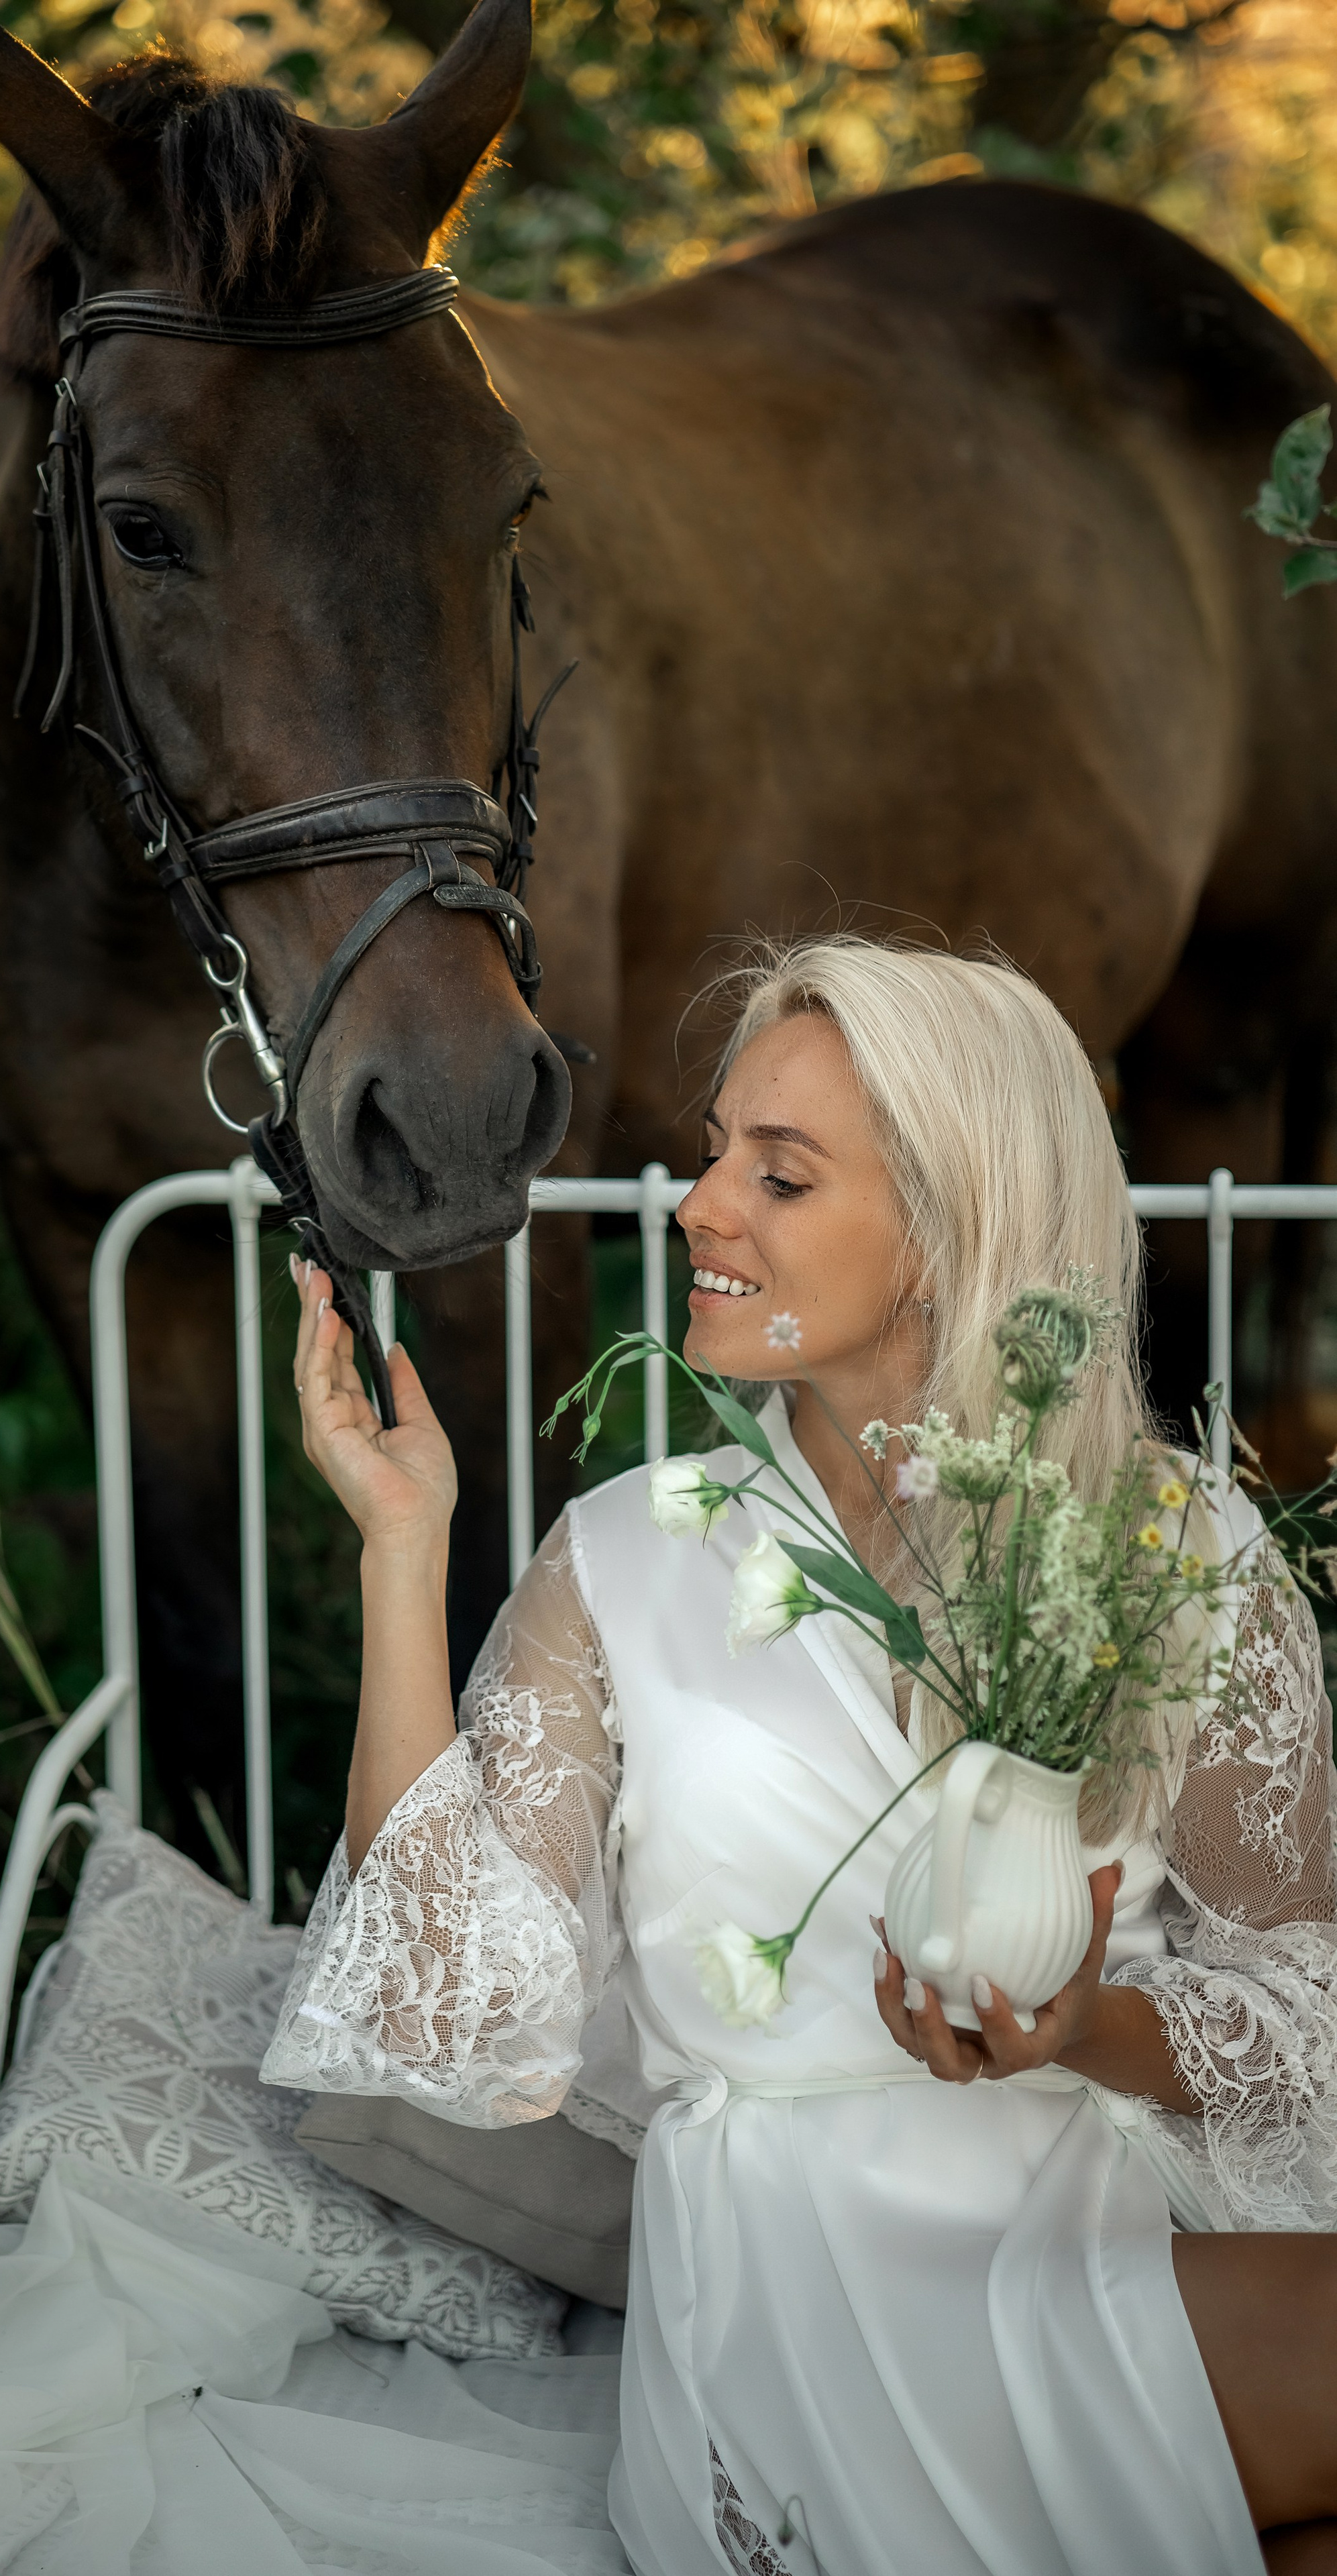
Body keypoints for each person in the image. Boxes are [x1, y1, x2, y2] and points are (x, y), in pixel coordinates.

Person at [261, 938, 1337, 2576]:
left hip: (1098, 2216)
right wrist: (403, 1552)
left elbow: (1303, 2018)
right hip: (794, 2281)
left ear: (946, 1229)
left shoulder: (1173, 1552)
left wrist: (1083, 2025)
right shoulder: (618, 1562)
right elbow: (449, 2020)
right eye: (711, 1156)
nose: (695, 1207)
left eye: (777, 1174)